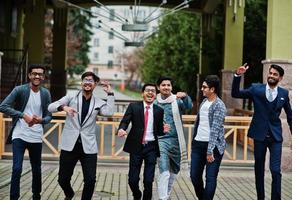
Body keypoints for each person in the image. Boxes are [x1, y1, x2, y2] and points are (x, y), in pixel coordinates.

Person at [231, 63, 292, 200]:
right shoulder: (256, 89)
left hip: (275, 137)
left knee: (275, 171)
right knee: (259, 170)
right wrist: (237, 75)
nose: (271, 76)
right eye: (270, 73)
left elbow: (291, 118)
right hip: (259, 135)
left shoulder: (283, 94)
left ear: (280, 78)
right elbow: (235, 93)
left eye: (275, 74)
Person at [48, 72, 115, 200]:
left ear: (95, 85)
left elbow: (109, 112)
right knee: (63, 179)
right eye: (85, 80)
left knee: (90, 180)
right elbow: (50, 107)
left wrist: (110, 94)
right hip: (69, 146)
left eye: (91, 81)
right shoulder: (71, 97)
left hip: (88, 147)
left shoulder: (98, 102)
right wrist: (64, 108)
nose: (88, 82)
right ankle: (69, 194)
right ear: (81, 83)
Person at [0, 64, 52, 200]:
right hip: (20, 135)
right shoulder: (19, 90)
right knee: (17, 168)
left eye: (40, 74)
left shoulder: (45, 93)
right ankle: (14, 197)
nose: (37, 76)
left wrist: (40, 120)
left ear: (43, 77)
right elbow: (3, 106)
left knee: (36, 169)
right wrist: (22, 115)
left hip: (36, 136)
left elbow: (49, 116)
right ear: (29, 75)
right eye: (34, 73)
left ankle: (36, 195)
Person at [117, 83, 169, 200]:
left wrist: (164, 131)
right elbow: (125, 121)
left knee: (148, 180)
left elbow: (159, 131)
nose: (150, 93)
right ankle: (137, 194)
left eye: (153, 91)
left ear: (155, 95)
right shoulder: (134, 107)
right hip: (136, 146)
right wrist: (121, 129)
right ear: (142, 94)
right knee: (132, 180)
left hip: (151, 148)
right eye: (148, 90)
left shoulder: (159, 111)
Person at [155, 76, 193, 200]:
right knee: (164, 169)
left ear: (171, 87)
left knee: (174, 170)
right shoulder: (155, 102)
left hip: (176, 140)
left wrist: (185, 96)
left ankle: (167, 191)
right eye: (163, 85)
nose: (166, 87)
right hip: (161, 139)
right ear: (158, 87)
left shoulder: (177, 101)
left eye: (168, 85)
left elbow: (188, 106)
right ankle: (163, 197)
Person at [190, 75, 226, 200]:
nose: (202, 89)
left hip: (213, 147)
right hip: (198, 144)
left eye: (204, 87)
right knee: (194, 176)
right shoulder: (204, 102)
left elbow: (215, 130)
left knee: (210, 178)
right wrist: (194, 141)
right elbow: (199, 123)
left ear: (212, 89)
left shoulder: (219, 106)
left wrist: (210, 150)